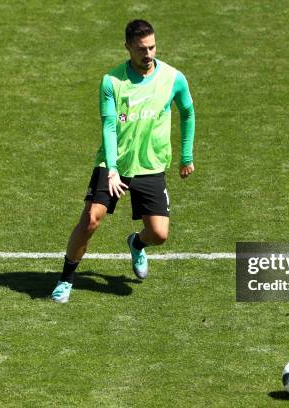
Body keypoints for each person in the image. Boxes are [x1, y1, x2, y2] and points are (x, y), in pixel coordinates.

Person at [51, 19, 195, 303]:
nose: (148, 54)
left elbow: (187, 112)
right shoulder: (112, 82)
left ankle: (136, 243)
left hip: (151, 164)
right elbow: (109, 126)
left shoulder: (173, 78)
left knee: (159, 234)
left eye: (152, 47)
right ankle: (65, 279)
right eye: (141, 49)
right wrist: (112, 169)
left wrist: (186, 156)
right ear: (128, 47)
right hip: (113, 163)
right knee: (91, 220)